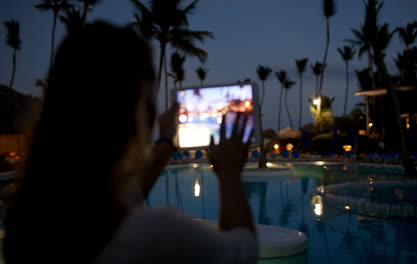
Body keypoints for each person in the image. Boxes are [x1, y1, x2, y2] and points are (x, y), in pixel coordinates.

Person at [3, 21, 258, 264]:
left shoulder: (26, 219)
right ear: (136, 112)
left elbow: (128, 194)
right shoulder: (155, 236)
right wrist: (229, 173)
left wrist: (166, 142)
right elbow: (242, 251)